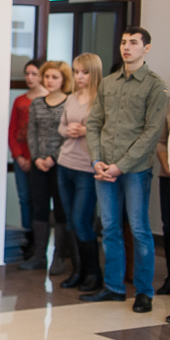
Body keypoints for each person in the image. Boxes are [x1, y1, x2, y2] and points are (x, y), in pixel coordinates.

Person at [82, 27, 169, 312]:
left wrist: (121, 166)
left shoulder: (155, 85)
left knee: (140, 229)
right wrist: (97, 160)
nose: (126, 47)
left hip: (134, 170)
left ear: (147, 48)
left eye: (133, 42)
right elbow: (94, 124)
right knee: (109, 228)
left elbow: (151, 133)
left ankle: (144, 292)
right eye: (123, 42)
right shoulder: (108, 83)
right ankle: (114, 287)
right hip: (104, 168)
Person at [56, 53, 103, 291]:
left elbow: (107, 131)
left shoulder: (101, 100)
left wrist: (85, 131)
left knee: (81, 220)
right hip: (66, 163)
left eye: (84, 72)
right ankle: (78, 271)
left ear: (94, 73)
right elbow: (61, 126)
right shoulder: (71, 98)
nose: (79, 76)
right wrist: (69, 131)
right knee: (70, 221)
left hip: (87, 166)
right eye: (76, 72)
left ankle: (93, 273)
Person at [19, 61, 71, 273]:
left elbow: (68, 136)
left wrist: (53, 158)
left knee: (60, 209)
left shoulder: (69, 103)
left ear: (64, 80)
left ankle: (59, 257)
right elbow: (31, 133)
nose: (50, 81)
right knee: (39, 208)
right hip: (38, 164)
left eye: (55, 77)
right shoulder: (37, 104)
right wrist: (37, 158)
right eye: (47, 76)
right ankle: (39, 255)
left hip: (61, 164)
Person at [9, 59, 47, 259]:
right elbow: (12, 131)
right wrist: (18, 156)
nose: (30, 78)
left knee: (39, 200)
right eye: (27, 74)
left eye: (34, 74)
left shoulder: (49, 99)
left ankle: (40, 244)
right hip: (21, 158)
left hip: (41, 159)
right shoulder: (20, 100)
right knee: (24, 198)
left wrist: (35, 158)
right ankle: (27, 240)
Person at [155, 87, 170, 295]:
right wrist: (167, 167)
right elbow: (160, 141)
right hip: (168, 176)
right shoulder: (169, 103)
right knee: (169, 227)